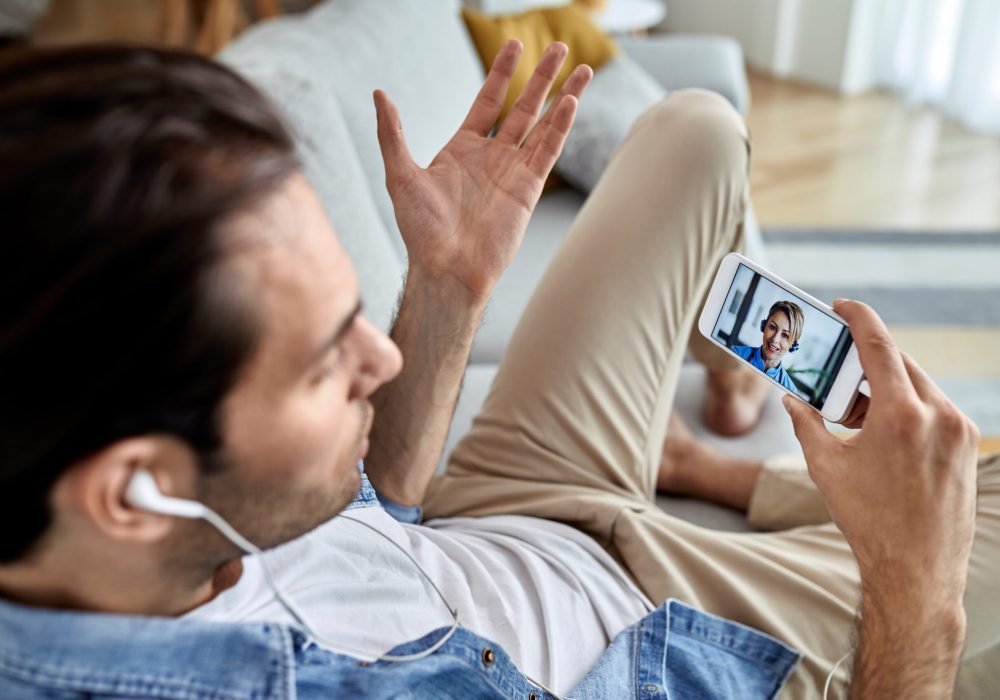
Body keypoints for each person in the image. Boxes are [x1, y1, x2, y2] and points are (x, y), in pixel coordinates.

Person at [0, 41, 997, 700]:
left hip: (494, 514)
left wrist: (445, 288)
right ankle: (739, 480)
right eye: (321, 366)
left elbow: (360, 523)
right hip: (664, 639)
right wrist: (919, 597)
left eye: (355, 316)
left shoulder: (117, 515)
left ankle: (706, 466)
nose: (379, 358)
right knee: (970, 491)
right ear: (133, 491)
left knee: (691, 130)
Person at [730, 300, 804, 392]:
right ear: (764, 326)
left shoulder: (789, 390)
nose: (775, 339)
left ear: (793, 344)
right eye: (772, 327)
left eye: (785, 335)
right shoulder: (735, 354)